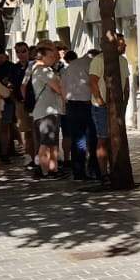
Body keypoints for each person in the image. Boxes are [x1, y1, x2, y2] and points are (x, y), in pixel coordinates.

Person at [88, 34, 131, 180]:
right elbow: (93, 82)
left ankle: (116, 168)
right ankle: (103, 172)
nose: (124, 46)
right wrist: (100, 100)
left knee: (117, 137)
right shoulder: (98, 60)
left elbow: (126, 83)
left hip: (118, 105)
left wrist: (125, 102)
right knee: (103, 138)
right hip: (102, 107)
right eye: (121, 44)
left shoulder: (123, 61)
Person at [62, 48, 101, 181]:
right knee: (93, 138)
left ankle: (79, 171)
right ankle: (94, 168)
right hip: (88, 104)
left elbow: (63, 85)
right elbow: (94, 84)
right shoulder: (92, 64)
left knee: (78, 139)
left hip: (72, 105)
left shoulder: (72, 65)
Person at [30, 45, 67, 178]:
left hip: (45, 110)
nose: (54, 59)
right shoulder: (44, 70)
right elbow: (58, 87)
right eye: (51, 56)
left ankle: (53, 169)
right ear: (42, 56)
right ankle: (43, 170)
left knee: (51, 143)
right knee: (46, 143)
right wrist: (65, 97)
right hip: (48, 111)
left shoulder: (36, 70)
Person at [9, 43, 33, 164]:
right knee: (25, 130)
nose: (21, 54)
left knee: (36, 130)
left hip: (35, 102)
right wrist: (17, 100)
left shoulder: (34, 65)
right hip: (20, 103)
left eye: (23, 51)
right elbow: (11, 86)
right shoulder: (14, 68)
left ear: (28, 51)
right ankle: (28, 155)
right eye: (18, 52)